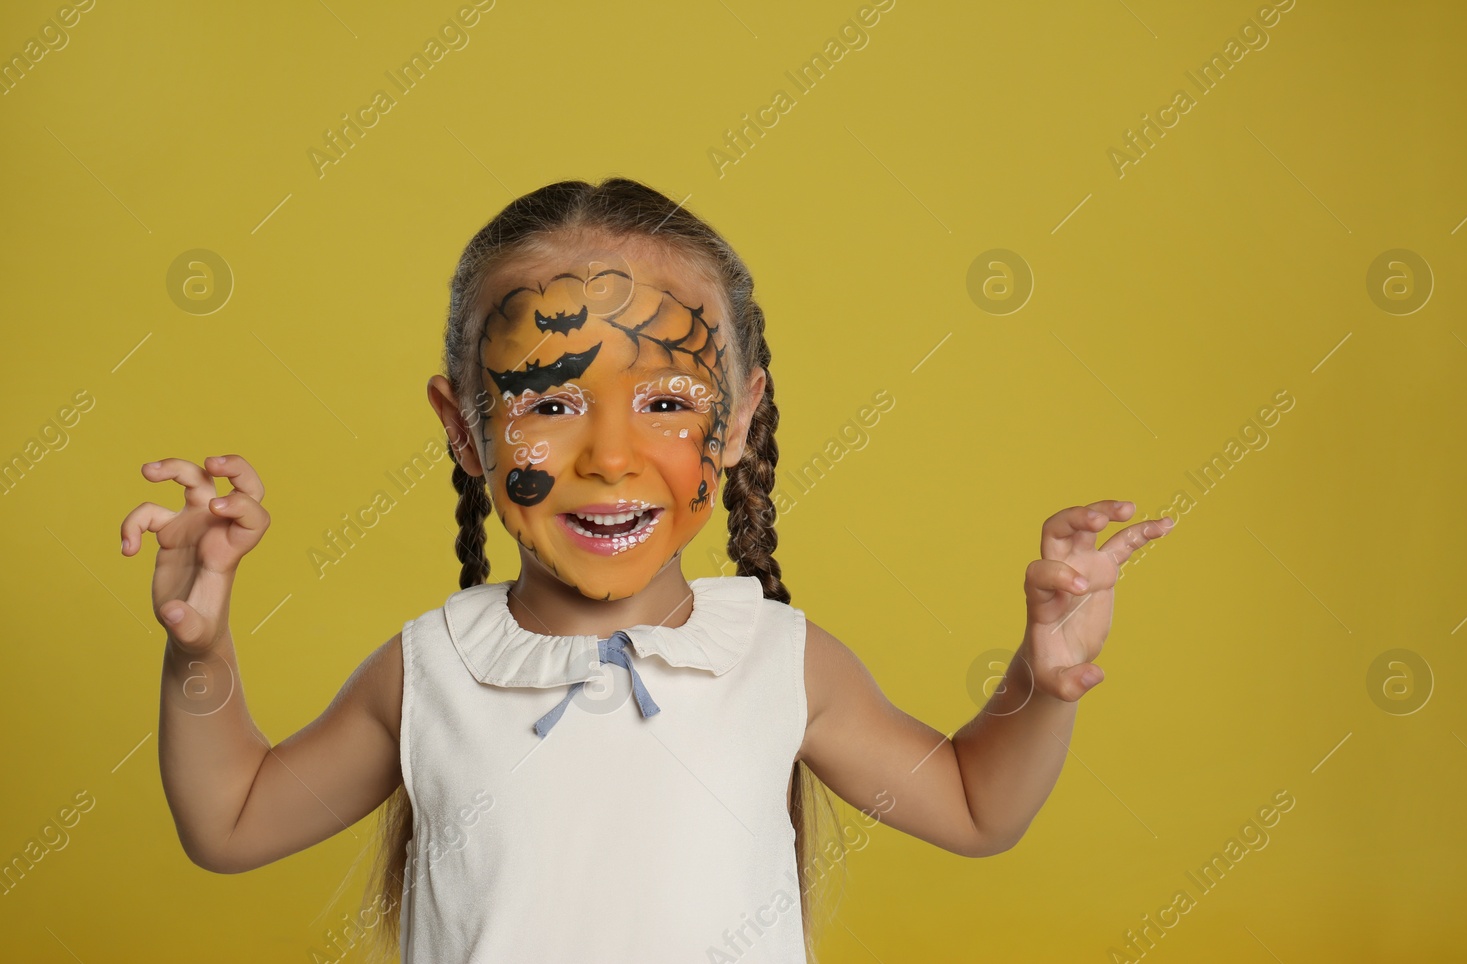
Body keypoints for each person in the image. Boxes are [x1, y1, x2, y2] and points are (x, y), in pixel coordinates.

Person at [121, 177, 1175, 963]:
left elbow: (977, 808)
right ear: (465, 427)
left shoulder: (775, 658)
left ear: (738, 419)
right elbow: (231, 822)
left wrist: (1039, 683)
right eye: (548, 399)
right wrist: (198, 647)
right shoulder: (433, 669)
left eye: (667, 401)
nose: (611, 456)